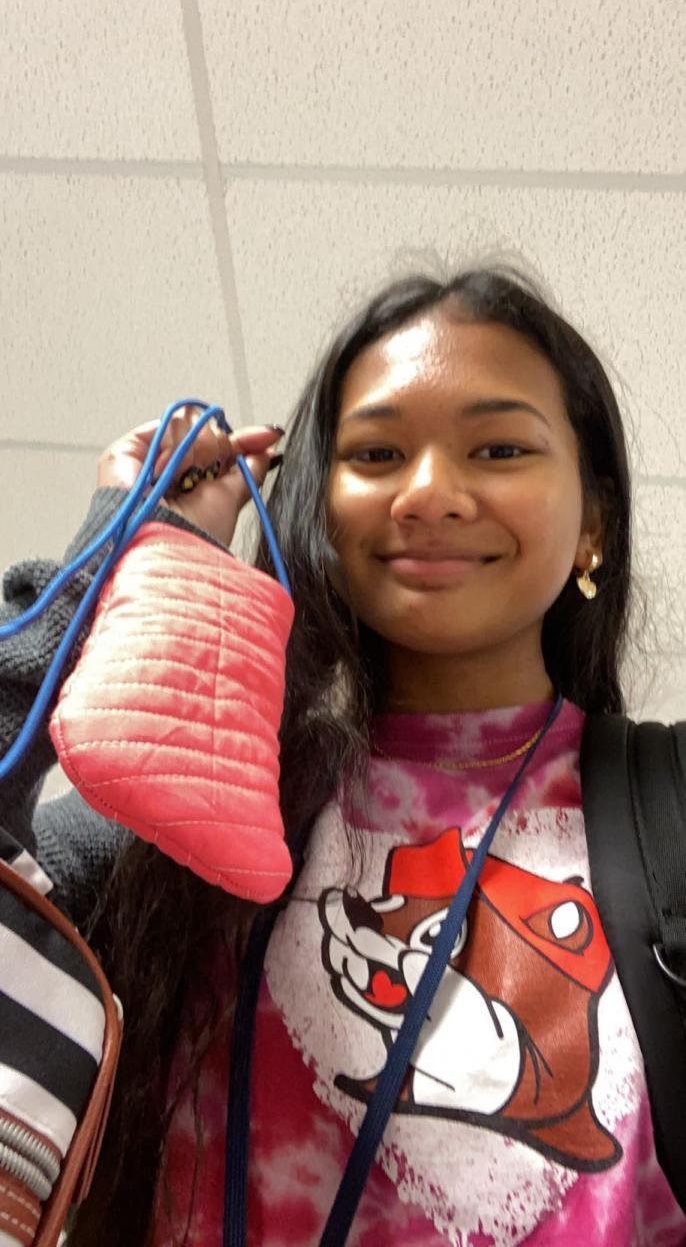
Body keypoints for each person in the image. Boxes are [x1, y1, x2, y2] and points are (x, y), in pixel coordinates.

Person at [1, 266, 683, 1246]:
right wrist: (115, 551)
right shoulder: (214, 809)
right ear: (322, 511)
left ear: (593, 524)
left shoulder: (666, 814)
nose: (429, 492)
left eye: (497, 447)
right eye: (376, 453)